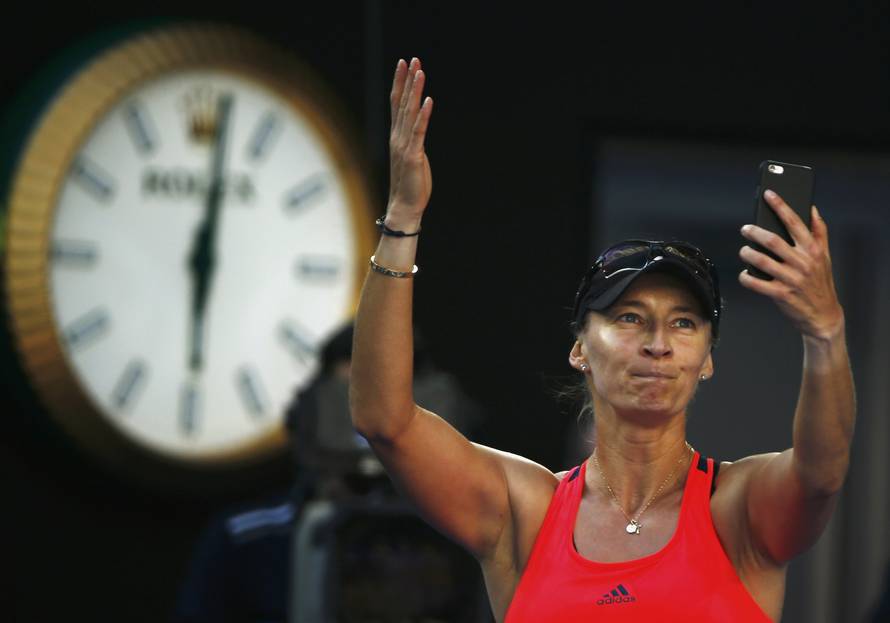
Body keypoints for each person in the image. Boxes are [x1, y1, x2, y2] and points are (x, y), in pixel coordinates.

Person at [349, 57, 856, 622]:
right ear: (580, 350)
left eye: (684, 323)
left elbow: (821, 471)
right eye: (630, 318)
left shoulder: (736, 510)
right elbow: (383, 420)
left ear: (707, 360)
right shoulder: (526, 513)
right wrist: (401, 219)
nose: (659, 342)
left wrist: (825, 333)